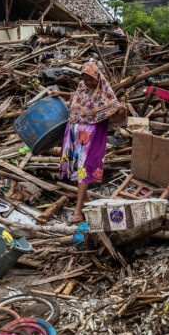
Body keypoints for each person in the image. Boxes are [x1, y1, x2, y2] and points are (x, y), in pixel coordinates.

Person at [54, 62, 126, 224]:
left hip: (91, 134)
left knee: (83, 169)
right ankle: (85, 197)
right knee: (72, 166)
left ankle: (78, 211)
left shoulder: (104, 92)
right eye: (85, 79)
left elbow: (115, 108)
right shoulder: (82, 86)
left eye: (91, 80)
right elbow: (77, 95)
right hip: (73, 129)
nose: (88, 83)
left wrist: (123, 109)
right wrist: (59, 93)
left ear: (97, 77)